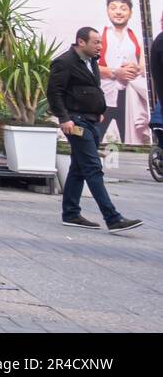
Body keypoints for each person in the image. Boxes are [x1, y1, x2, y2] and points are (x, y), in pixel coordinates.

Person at [47, 27, 142, 232]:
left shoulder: (92, 61)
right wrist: (64, 118)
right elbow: (55, 93)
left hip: (90, 120)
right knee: (92, 167)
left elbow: (91, 88)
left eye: (100, 42)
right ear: (81, 42)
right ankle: (113, 217)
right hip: (76, 121)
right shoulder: (64, 62)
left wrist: (98, 110)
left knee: (79, 168)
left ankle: (71, 213)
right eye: (96, 42)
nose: (100, 46)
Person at [98, 0, 150, 146]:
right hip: (103, 95)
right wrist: (114, 72)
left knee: (133, 141)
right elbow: (87, 64)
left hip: (128, 96)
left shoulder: (137, 36)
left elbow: (144, 64)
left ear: (130, 12)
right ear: (108, 11)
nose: (118, 12)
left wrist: (137, 68)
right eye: (113, 8)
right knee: (94, 139)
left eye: (123, 8)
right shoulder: (98, 33)